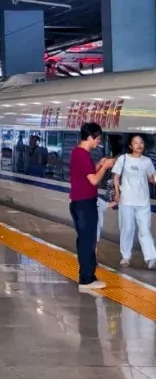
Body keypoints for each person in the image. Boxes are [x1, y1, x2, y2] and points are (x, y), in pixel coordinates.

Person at [69, 122, 116, 292]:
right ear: (89, 138)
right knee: (88, 241)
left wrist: (98, 166)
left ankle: (88, 275)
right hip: (84, 204)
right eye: (97, 140)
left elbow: (87, 175)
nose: (98, 143)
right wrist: (105, 166)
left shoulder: (78, 153)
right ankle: (86, 279)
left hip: (79, 202)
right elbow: (94, 180)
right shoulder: (82, 155)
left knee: (84, 240)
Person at [112, 134, 156, 270]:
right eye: (135, 143)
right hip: (126, 201)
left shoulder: (147, 161)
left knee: (145, 230)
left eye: (141, 142)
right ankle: (126, 256)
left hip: (143, 202)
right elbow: (116, 177)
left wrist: (153, 179)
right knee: (127, 229)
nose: (139, 145)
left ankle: (150, 257)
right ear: (130, 146)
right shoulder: (123, 159)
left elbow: (151, 178)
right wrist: (117, 194)